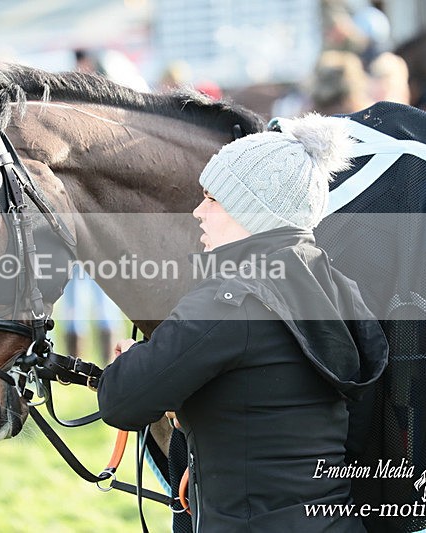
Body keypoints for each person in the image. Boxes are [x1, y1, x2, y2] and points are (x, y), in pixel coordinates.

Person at [97, 114, 388, 532]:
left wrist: (137, 359)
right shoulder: (338, 287)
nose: (198, 211)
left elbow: (121, 401)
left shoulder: (226, 301)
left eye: (212, 199)